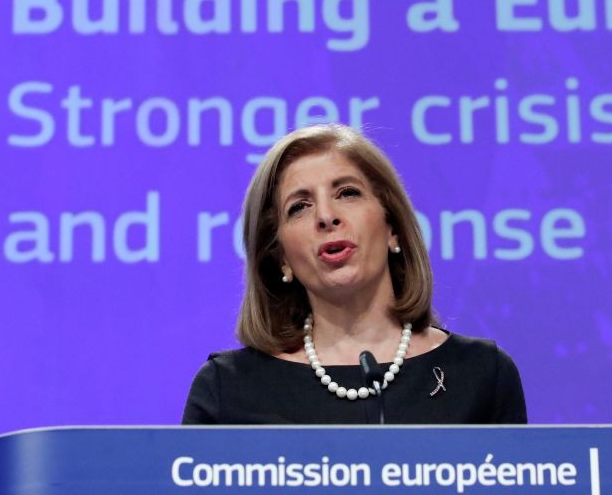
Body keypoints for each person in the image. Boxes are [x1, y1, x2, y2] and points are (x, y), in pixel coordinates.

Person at [182, 124, 527, 424]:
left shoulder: (482, 375)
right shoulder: (228, 391)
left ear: (393, 228)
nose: (326, 216)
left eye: (347, 193)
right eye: (299, 207)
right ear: (281, 258)